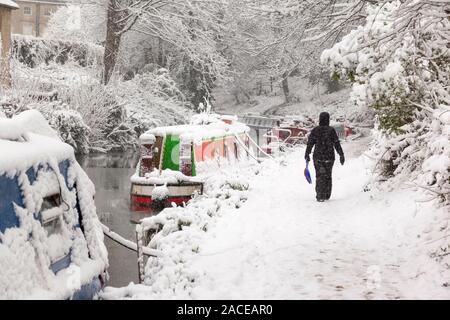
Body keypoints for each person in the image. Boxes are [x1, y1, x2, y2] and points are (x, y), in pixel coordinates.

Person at [304, 112, 345, 202]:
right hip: (329, 157)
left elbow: (310, 143)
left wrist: (307, 154)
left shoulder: (315, 130)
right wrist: (341, 155)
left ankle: (320, 195)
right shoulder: (331, 130)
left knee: (319, 176)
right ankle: (327, 194)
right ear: (328, 119)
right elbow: (336, 143)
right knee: (328, 176)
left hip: (318, 157)